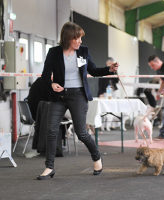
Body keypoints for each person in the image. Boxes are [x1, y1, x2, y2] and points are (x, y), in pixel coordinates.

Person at [37, 22, 118, 180]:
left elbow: (93, 71)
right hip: (58, 96)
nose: (80, 41)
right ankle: (49, 167)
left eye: (81, 38)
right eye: (77, 38)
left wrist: (109, 69)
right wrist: (52, 84)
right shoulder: (53, 52)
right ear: (68, 38)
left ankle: (97, 158)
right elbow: (45, 75)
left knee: (81, 133)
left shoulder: (83, 51)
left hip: (78, 95)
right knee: (51, 131)